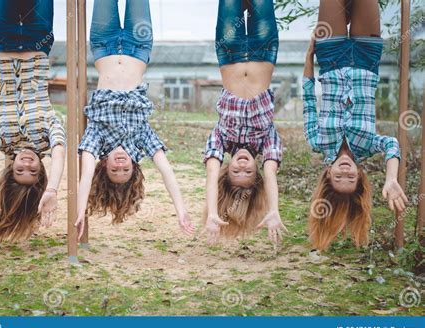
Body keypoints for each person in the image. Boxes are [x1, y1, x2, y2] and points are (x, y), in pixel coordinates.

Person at [75, 0, 194, 238]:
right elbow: (166, 171)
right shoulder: (141, 137)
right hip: (138, 45)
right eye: (125, 169)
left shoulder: (95, 138)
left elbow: (85, 175)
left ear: (105, 165)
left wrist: (79, 210)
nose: (120, 165)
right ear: (133, 166)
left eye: (114, 170)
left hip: (103, 43)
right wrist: (181, 210)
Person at [303, 0, 408, 251]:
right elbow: (392, 145)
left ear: (327, 174)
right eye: (350, 178)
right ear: (360, 176)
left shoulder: (317, 141)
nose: (345, 171)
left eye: (339, 177)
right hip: (366, 56)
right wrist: (391, 178)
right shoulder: (369, 145)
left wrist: (309, 56)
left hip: (330, 56)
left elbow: (308, 97)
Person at [0, 0, 66, 244]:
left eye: (20, 171)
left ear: (9, 170)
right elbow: (60, 152)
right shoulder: (47, 135)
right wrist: (52, 190)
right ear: (41, 169)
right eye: (33, 171)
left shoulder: (2, 137)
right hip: (36, 40)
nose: (27, 164)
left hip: (2, 39)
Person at [203, 0, 285, 245]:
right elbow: (271, 174)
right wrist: (273, 209)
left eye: (236, 172)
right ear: (256, 170)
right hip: (264, 48)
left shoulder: (220, 140)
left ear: (227, 170)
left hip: (229, 52)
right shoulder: (267, 142)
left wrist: (212, 213)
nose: (241, 166)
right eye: (248, 172)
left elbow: (210, 173)